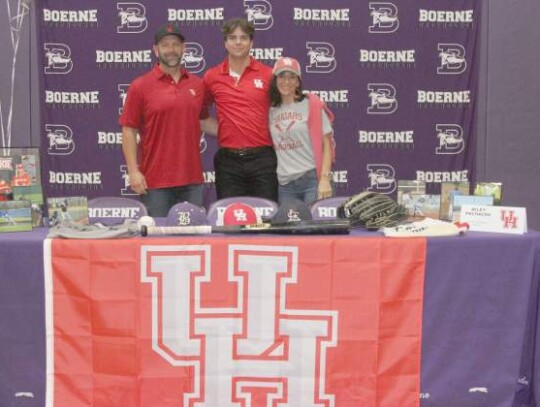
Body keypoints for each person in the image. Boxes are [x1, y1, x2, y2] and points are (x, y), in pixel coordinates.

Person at [119, 23, 215, 217]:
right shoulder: (140, 86)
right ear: (156, 50)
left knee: (192, 244)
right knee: (158, 245)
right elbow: (129, 130)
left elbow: (203, 121)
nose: (171, 50)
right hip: (155, 183)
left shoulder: (197, 85)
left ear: (184, 48)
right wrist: (133, 171)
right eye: (165, 45)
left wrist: (241, 135)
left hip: (192, 181)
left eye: (176, 44)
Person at [203, 18, 278, 202]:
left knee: (266, 220)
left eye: (243, 38)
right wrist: (227, 131)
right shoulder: (212, 76)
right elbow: (200, 116)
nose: (238, 42)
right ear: (225, 43)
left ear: (251, 42)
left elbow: (283, 113)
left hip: (263, 159)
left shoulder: (268, 74)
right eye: (232, 37)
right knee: (231, 222)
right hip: (228, 162)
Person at [269, 56, 335, 205]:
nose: (286, 82)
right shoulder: (270, 110)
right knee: (289, 227)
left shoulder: (311, 104)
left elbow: (327, 144)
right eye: (282, 76)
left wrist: (324, 179)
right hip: (285, 186)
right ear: (275, 80)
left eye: (292, 77)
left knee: (313, 227)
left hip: (312, 180)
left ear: (298, 81)